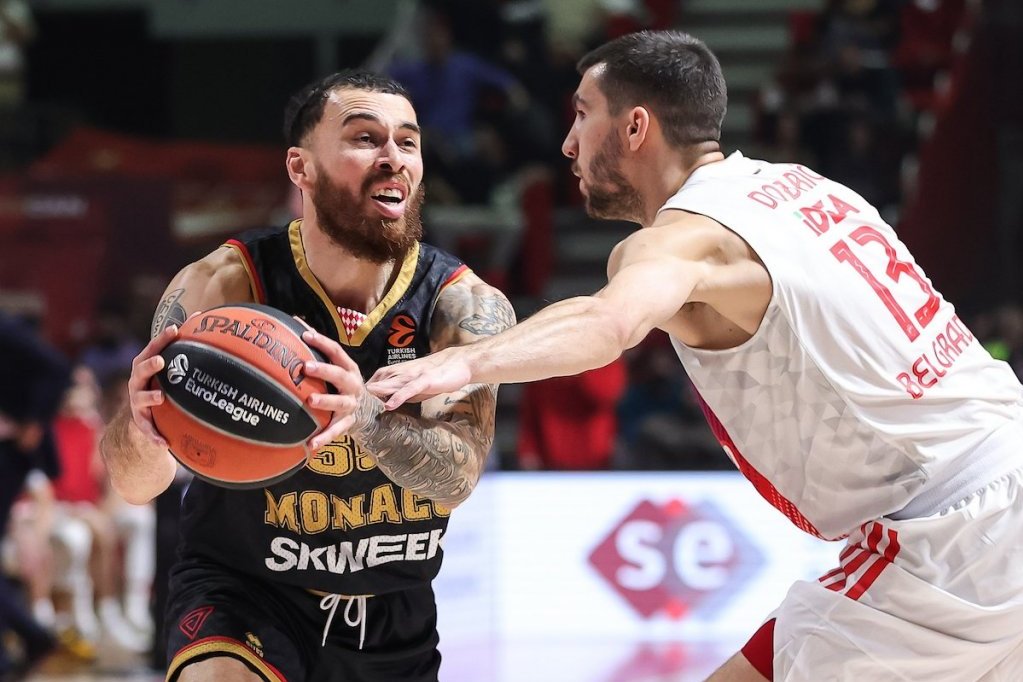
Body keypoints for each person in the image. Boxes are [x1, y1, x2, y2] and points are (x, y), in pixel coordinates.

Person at [367, 30, 1023, 681]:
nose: (567, 142)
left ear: (635, 127)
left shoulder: (686, 235)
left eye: (582, 114)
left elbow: (606, 321)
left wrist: (464, 362)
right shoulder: (807, 188)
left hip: (958, 532)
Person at [100, 70, 514, 682]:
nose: (393, 157)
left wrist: (365, 417)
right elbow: (135, 484)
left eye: (408, 141)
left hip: (392, 611)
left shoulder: (461, 305)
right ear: (301, 168)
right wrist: (139, 432)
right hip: (243, 590)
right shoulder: (222, 286)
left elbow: (458, 479)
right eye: (365, 138)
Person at [0, 310, 68, 680]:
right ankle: (26, 640)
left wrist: (32, 419)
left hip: (10, 452)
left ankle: (31, 637)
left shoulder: (6, 330)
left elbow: (58, 369)